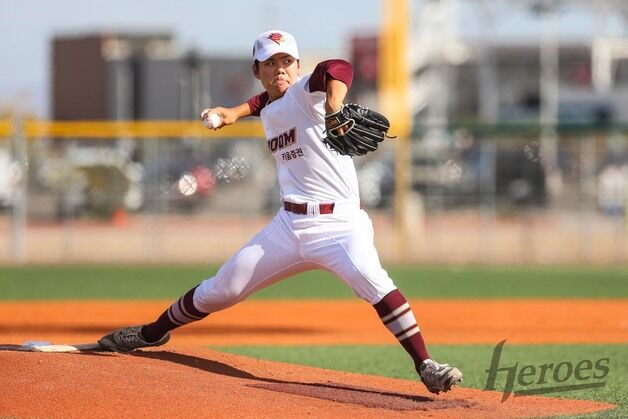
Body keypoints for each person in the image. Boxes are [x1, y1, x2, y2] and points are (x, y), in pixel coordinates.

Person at [98, 29, 462, 394]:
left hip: (340, 224)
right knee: (220, 290)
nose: (280, 70)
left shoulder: (308, 92)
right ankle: (151, 333)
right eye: (270, 63)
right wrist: (234, 112)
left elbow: (339, 67)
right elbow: (263, 103)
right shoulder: (271, 105)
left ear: (298, 65)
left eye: (287, 61)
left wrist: (334, 106)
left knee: (374, 282)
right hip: (289, 225)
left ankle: (426, 365)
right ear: (257, 70)